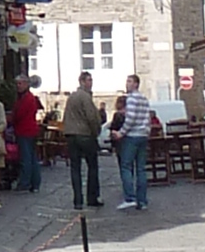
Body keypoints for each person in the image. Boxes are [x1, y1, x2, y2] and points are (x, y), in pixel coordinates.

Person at [59, 77, 105, 215]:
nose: (91, 83)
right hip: (84, 134)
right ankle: (92, 197)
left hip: (71, 134)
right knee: (92, 166)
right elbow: (92, 117)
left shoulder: (71, 97)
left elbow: (66, 116)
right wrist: (96, 131)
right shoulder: (85, 97)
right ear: (82, 82)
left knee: (75, 168)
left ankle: (77, 200)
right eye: (89, 80)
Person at [114, 73, 156, 210]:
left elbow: (130, 119)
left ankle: (130, 197)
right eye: (127, 81)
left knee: (126, 166)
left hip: (132, 136)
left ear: (136, 84)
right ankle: (142, 200)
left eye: (130, 81)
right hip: (143, 135)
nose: (127, 84)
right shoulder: (144, 99)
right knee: (141, 169)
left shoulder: (131, 99)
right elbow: (148, 117)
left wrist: (121, 133)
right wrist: (146, 131)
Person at [8, 76, 44, 192]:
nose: (18, 86)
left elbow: (19, 114)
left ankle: (25, 182)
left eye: (20, 83)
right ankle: (34, 183)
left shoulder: (27, 98)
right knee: (32, 157)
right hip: (29, 130)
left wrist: (11, 119)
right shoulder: (27, 98)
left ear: (26, 84)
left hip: (25, 131)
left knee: (26, 158)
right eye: (17, 84)